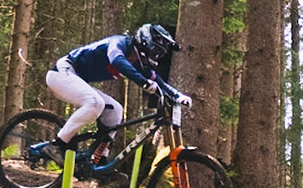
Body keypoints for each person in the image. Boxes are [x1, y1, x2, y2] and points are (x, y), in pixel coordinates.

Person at [39, 23, 190, 163]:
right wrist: (142, 81)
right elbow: (117, 60)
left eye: (160, 52)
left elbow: (158, 81)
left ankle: (99, 158)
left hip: (77, 78)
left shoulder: (138, 62)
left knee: (116, 110)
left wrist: (178, 95)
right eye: (155, 49)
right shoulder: (119, 43)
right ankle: (57, 145)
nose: (157, 55)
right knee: (95, 103)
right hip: (61, 72)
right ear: (144, 42)